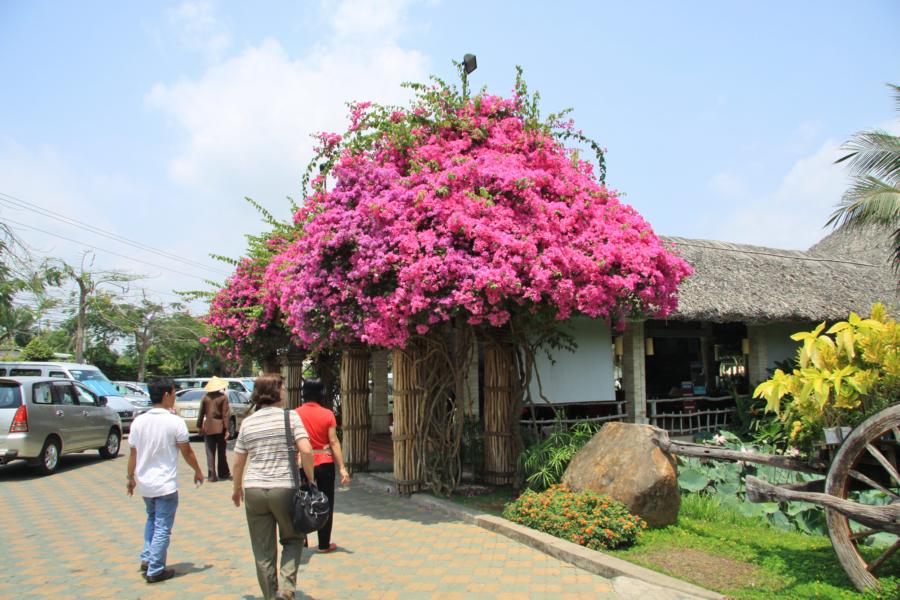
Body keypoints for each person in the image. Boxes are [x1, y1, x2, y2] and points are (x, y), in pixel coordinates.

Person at [231, 375, 316, 600]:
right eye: (283, 388)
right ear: (276, 392)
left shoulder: (248, 422)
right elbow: (306, 450)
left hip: (254, 490)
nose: (286, 391)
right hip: (284, 487)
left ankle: (270, 596)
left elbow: (238, 461)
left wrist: (236, 488)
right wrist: (311, 479)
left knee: (263, 549)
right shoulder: (290, 418)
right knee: (293, 539)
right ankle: (287, 588)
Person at [127, 376, 204, 583]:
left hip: (145, 484)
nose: (174, 398)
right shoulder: (174, 422)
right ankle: (155, 569)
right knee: (162, 526)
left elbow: (133, 454)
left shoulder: (139, 421)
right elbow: (187, 452)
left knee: (152, 519)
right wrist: (197, 470)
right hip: (165, 485)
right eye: (173, 393)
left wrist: (130, 477)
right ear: (166, 395)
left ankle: (147, 557)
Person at [295, 380, 351, 554]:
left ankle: (301, 540)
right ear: (321, 394)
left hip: (302, 462)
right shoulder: (327, 414)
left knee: (302, 501)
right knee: (326, 502)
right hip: (325, 462)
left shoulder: (295, 414)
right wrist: (342, 466)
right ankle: (324, 544)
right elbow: (333, 441)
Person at [197, 376, 232, 482]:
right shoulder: (223, 397)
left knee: (210, 452)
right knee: (222, 453)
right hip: (220, 428)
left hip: (208, 427)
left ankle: (212, 476)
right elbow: (225, 415)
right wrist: (227, 429)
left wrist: (199, 426)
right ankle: (223, 473)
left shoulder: (205, 397)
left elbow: (201, 413)